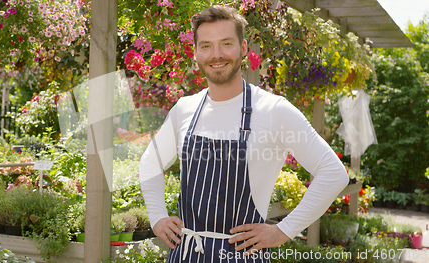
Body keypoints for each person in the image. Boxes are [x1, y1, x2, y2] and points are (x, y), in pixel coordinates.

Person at [139, 5, 349, 262]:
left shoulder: (273, 110)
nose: (216, 54)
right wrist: (158, 216)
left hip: (243, 256)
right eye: (206, 46)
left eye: (226, 43)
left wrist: (283, 231)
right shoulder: (185, 109)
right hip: (185, 253)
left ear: (243, 47)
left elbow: (333, 173)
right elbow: (151, 161)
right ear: (195, 52)